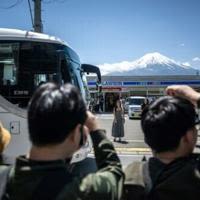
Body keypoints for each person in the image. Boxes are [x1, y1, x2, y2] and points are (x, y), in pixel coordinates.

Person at [0, 83, 124, 200]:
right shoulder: (84, 190)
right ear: (76, 134)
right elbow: (115, 174)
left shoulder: (3, 179)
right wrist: (94, 129)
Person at [123, 85, 200, 200]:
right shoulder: (195, 177)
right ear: (188, 136)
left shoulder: (127, 180)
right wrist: (195, 96)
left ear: (147, 138)